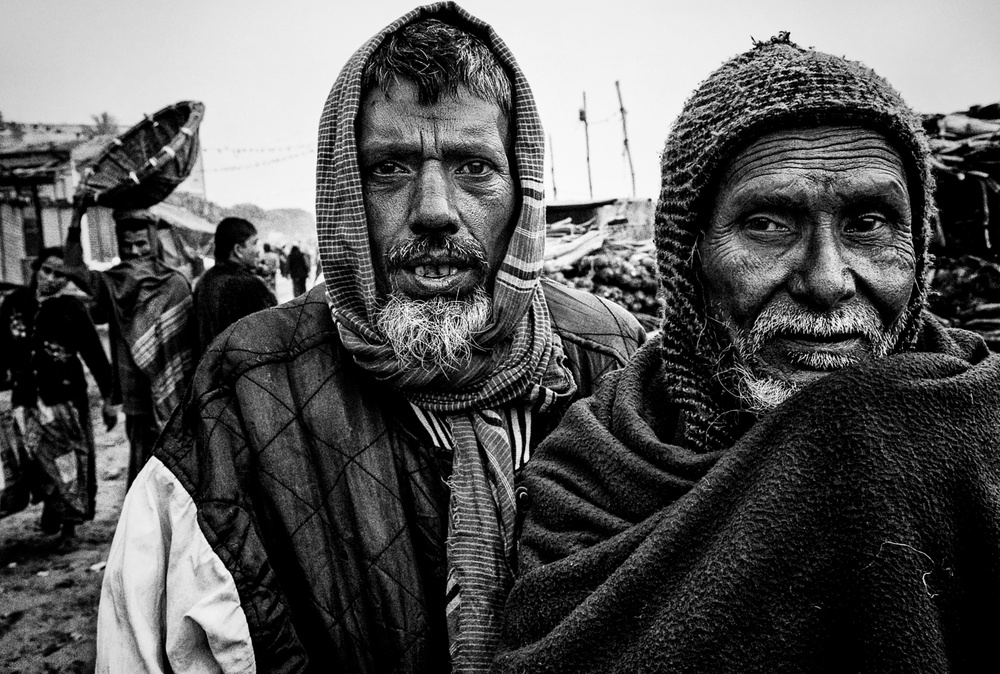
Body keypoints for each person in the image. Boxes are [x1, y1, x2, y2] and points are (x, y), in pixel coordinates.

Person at [95, 5, 645, 673]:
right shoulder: (245, 392)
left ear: (522, 188)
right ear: (343, 193)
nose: (435, 209)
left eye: (474, 166)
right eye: (390, 168)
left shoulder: (612, 355)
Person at [493, 35, 1000, 673]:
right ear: (689, 256)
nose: (826, 281)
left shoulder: (983, 427)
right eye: (766, 223)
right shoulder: (596, 471)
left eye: (867, 223)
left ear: (919, 248)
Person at [65, 209, 197, 487]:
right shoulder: (112, 283)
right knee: (143, 463)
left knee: (180, 465)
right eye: (127, 246)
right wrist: (77, 217)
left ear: (154, 242)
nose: (135, 252)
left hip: (175, 389)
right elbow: (73, 269)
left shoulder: (175, 283)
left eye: (141, 244)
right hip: (135, 391)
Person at [0, 247, 116, 548]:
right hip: (26, 399)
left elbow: (94, 354)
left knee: (68, 463)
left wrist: (107, 399)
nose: (52, 279)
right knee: (36, 460)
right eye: (47, 271)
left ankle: (69, 527)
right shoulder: (14, 304)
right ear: (36, 269)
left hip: (64, 399)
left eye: (60, 275)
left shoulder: (73, 309)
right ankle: (52, 507)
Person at [194, 217, 277, 352]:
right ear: (238, 250)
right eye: (254, 243)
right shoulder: (250, 286)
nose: (258, 251)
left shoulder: (203, 281)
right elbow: (273, 337)